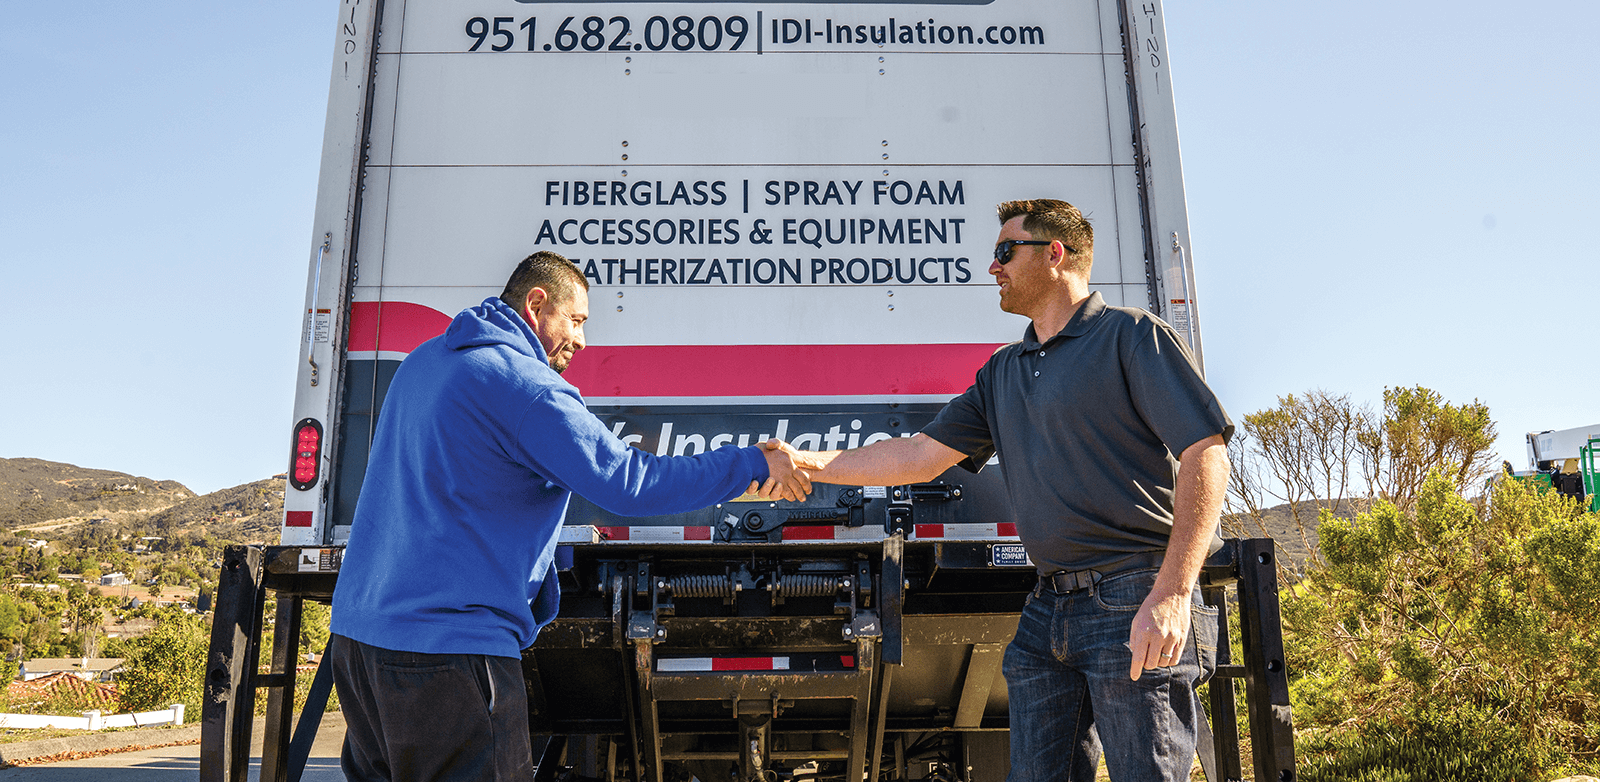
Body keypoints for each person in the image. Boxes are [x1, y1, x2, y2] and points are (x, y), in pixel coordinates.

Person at [768, 199, 1232, 782]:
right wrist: (803, 461)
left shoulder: (1131, 337)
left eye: (1004, 252)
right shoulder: (1003, 372)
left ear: (1055, 254)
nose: (993, 268)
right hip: (1047, 611)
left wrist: (1171, 593)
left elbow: (1206, 452)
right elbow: (916, 456)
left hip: (1132, 594)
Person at [329, 251, 810, 782]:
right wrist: (750, 462)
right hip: (448, 655)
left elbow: (449, 492)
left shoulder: (423, 362)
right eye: (576, 320)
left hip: (359, 648)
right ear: (537, 304)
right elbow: (630, 482)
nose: (581, 340)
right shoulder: (525, 387)